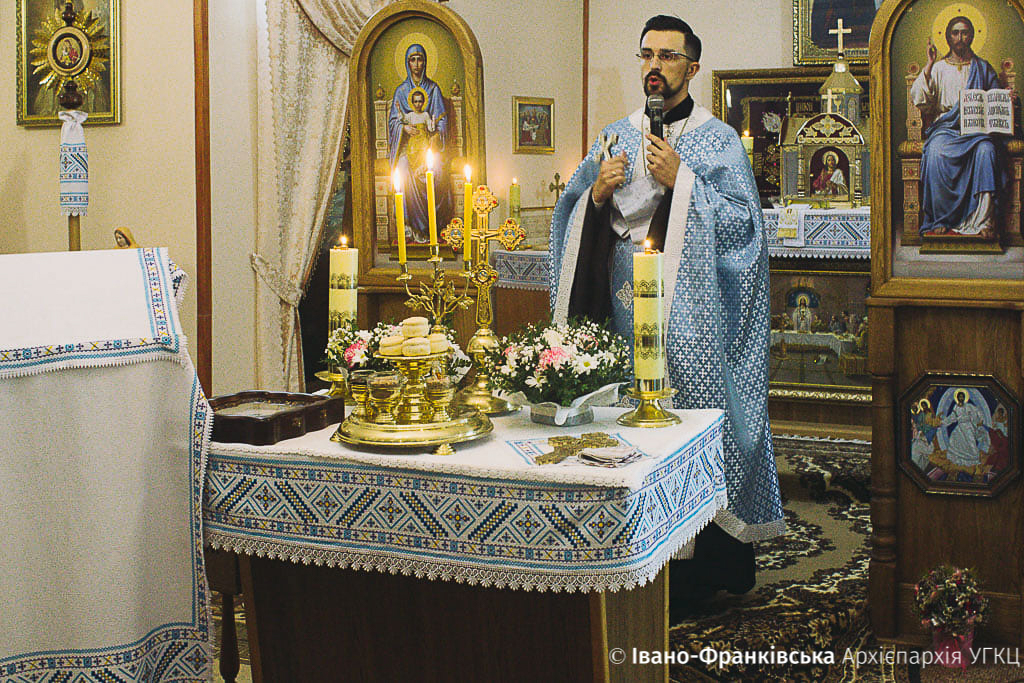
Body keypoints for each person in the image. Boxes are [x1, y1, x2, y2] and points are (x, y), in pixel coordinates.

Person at [548, 15, 784, 612]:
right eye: (647, 55)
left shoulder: (718, 141)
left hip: (691, 320)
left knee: (695, 423)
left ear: (692, 67)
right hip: (621, 313)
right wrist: (596, 193)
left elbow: (747, 228)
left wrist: (685, 183)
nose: (655, 66)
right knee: (622, 427)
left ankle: (698, 576)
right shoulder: (614, 135)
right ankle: (622, 556)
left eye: (669, 56)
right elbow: (569, 212)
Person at [910, 16, 1006, 238]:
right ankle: (941, 219)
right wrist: (929, 64)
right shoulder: (939, 68)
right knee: (935, 153)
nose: (960, 37)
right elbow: (920, 99)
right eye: (955, 33)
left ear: (972, 36)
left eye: (964, 32)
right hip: (946, 128)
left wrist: (1007, 98)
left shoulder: (982, 68)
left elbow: (995, 98)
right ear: (948, 37)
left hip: (976, 130)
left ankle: (983, 221)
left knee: (987, 151)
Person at [388, 43, 453, 243]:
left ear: (425, 62)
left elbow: (441, 120)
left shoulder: (433, 89)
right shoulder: (401, 91)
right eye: (412, 60)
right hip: (408, 147)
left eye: (420, 59)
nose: (416, 64)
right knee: (403, 169)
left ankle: (435, 227)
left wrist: (435, 137)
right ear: (407, 63)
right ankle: (409, 229)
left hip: (429, 147)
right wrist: (403, 129)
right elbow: (393, 121)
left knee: (437, 171)